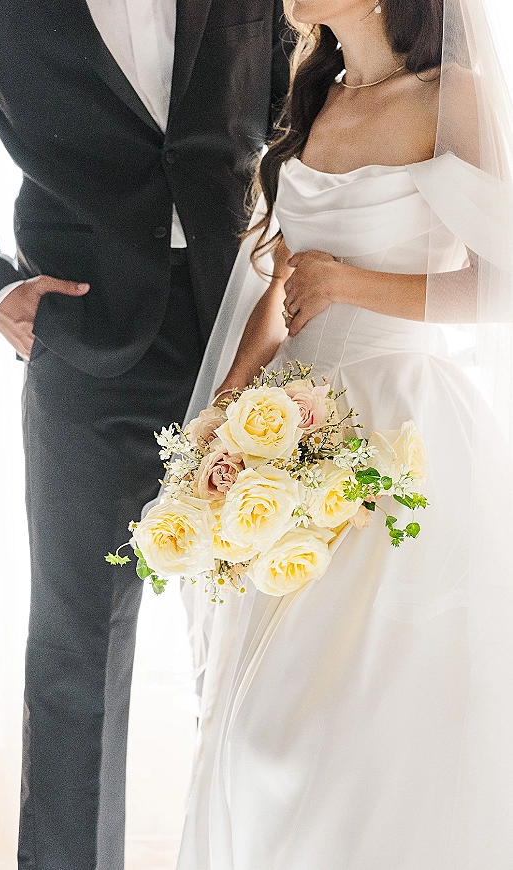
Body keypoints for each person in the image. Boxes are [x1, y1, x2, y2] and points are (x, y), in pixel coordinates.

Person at [0, 2, 290, 869]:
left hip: (248, 333)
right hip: (88, 347)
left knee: (274, 635)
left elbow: (295, 116)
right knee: (76, 644)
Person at [176, 0, 513, 866]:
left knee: (370, 710)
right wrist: (224, 411)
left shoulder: (456, 98)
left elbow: (502, 287)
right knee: (265, 723)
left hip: (400, 430)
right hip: (288, 434)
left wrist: (352, 286)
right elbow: (285, 283)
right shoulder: (319, 97)